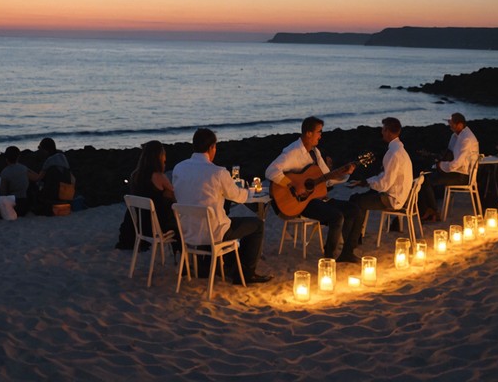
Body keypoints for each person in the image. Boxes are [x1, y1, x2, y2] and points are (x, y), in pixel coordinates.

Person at [172, 128, 272, 285]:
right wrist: (248, 193)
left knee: (225, 217)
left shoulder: (179, 168)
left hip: (188, 231)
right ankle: (246, 273)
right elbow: (237, 196)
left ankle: (230, 265)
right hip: (214, 233)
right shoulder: (218, 173)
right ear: (212, 147)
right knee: (257, 224)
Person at [266, 116, 361, 263]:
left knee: (354, 210)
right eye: (319, 132)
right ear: (308, 133)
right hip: (301, 203)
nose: (321, 135)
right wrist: (292, 185)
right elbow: (270, 171)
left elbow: (326, 179)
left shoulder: (315, 153)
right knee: (337, 217)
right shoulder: (292, 152)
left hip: (317, 198)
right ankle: (329, 257)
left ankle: (347, 252)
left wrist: (343, 174)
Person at [348, 117, 414, 246]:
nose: (382, 132)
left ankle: (354, 238)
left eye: (383, 130)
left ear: (389, 131)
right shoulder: (400, 150)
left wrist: (366, 182)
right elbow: (385, 177)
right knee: (361, 197)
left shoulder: (393, 153)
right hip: (399, 194)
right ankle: (356, 235)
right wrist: (368, 181)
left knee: (356, 201)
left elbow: (384, 184)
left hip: (393, 198)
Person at [116, 140, 177, 249]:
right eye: (164, 155)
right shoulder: (159, 176)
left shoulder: (135, 175)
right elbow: (174, 195)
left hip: (138, 225)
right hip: (154, 226)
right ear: (159, 156)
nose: (165, 158)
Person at [418, 113, 479, 222]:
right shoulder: (455, 136)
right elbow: (449, 154)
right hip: (455, 171)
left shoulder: (466, 139)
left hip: (462, 175)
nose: (449, 125)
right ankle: (428, 210)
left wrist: (440, 165)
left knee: (427, 181)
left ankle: (433, 212)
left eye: (451, 123)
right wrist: (438, 160)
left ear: (459, 125)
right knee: (424, 176)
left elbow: (457, 163)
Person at [30, 137, 74, 211]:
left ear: (46, 150)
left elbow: (38, 178)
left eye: (40, 148)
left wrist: (27, 172)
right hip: (66, 194)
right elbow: (72, 178)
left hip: (53, 195)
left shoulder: (49, 161)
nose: (40, 151)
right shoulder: (63, 157)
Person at [0, 146, 32, 217]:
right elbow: (36, 177)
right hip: (24, 204)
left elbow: (3, 193)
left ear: (6, 158)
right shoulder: (24, 168)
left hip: (13, 205)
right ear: (18, 157)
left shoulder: (5, 172)